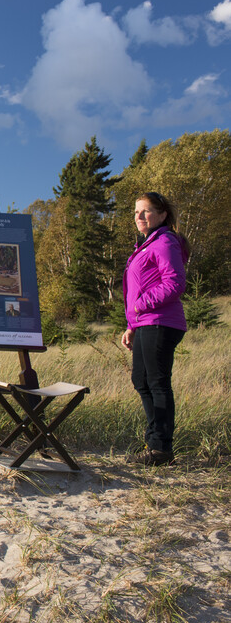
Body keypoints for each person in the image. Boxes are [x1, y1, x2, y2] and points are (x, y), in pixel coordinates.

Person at [120, 192, 190, 466]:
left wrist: (140, 307)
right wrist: (131, 326)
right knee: (141, 381)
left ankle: (160, 449)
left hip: (161, 321)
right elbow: (141, 285)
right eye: (136, 212)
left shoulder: (164, 242)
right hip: (145, 323)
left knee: (157, 383)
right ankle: (156, 445)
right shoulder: (146, 245)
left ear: (162, 215)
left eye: (145, 211)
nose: (139, 217)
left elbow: (174, 283)